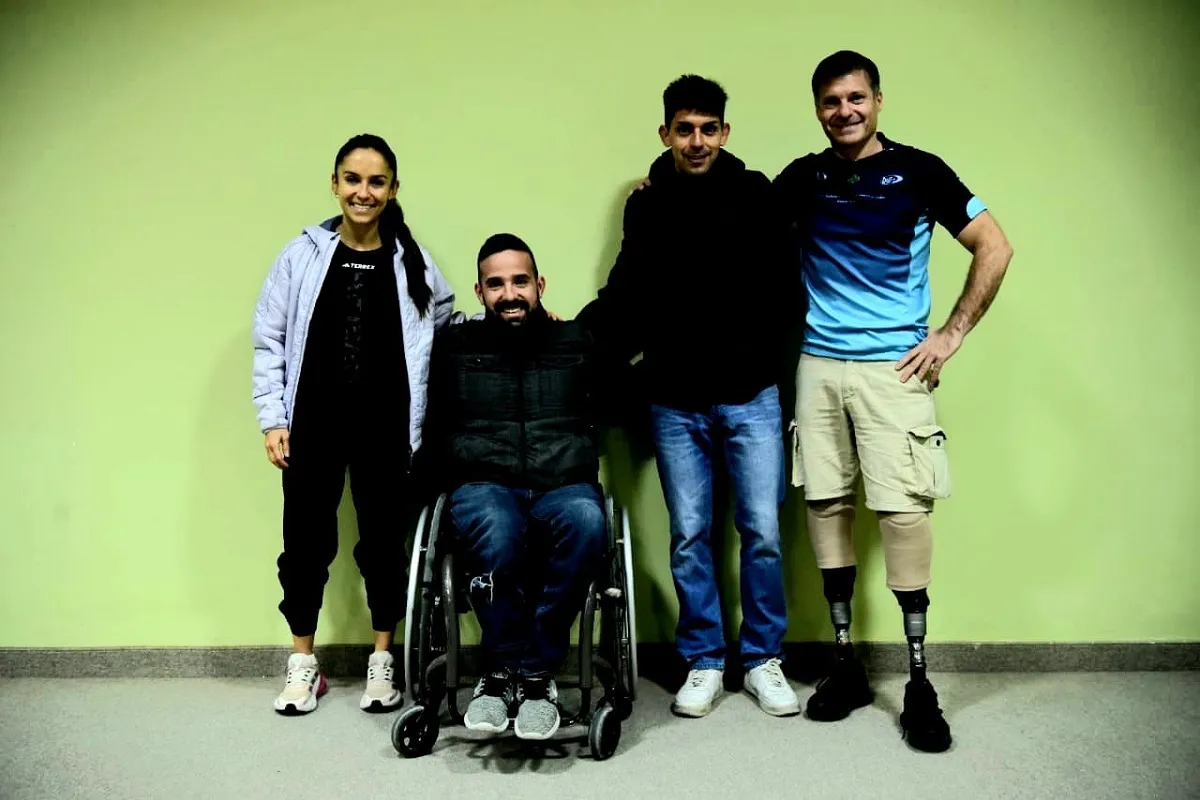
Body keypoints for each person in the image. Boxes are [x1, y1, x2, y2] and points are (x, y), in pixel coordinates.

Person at [774, 51, 1014, 751]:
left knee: (903, 513)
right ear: (817, 108)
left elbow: (993, 247)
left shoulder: (921, 171)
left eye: (855, 98)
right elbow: (735, 224)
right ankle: (846, 664)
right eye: (829, 101)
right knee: (825, 505)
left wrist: (951, 334)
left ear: (878, 101)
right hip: (819, 368)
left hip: (892, 371)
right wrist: (659, 187)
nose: (843, 111)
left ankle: (917, 682)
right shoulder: (802, 177)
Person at [578, 75, 802, 718]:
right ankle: (703, 659)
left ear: (725, 133)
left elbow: (787, 291)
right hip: (674, 400)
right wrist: (576, 338)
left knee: (761, 531)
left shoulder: (756, 195)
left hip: (751, 397)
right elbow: (628, 292)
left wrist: (758, 356)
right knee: (690, 535)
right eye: (685, 128)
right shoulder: (646, 205)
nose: (697, 140)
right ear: (666, 134)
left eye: (709, 128)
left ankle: (763, 659)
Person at [251, 133, 456, 716]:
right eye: (353, 179)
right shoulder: (302, 255)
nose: (363, 192)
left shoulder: (411, 260)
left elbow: (444, 326)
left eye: (376, 181)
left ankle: (382, 659)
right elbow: (269, 340)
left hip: (387, 427)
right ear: (335, 184)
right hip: (312, 423)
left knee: (385, 544)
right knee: (306, 544)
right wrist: (273, 419)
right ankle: (303, 664)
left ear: (393, 190)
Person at [425, 233, 608, 741]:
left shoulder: (576, 342)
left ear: (540, 285)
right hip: (485, 483)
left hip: (562, 482)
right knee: (497, 529)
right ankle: (501, 671)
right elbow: (435, 423)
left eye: (520, 281)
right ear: (479, 292)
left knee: (589, 520)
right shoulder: (456, 347)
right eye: (497, 283)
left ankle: (535, 673)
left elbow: (607, 407)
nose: (510, 293)